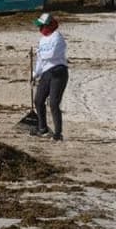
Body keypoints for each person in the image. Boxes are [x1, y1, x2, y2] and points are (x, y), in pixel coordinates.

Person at [30, 12, 69, 141]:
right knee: (38, 100)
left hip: (59, 72)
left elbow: (52, 55)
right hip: (46, 73)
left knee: (53, 103)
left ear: (48, 26)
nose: (40, 29)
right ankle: (43, 129)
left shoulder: (58, 37)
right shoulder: (42, 40)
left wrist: (40, 53)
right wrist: (35, 74)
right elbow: (41, 61)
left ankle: (58, 134)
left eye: (42, 26)